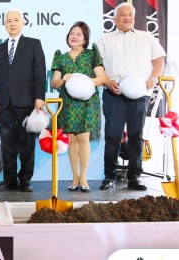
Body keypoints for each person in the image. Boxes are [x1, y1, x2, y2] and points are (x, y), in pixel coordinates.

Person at [96, 2, 166, 191]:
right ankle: (109, 176)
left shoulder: (146, 37)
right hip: (113, 93)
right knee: (113, 136)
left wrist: (153, 78)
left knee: (136, 136)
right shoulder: (104, 40)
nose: (127, 18)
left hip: (139, 94)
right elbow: (97, 66)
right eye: (122, 15)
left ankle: (135, 177)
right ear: (114, 19)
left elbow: (159, 60)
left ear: (134, 18)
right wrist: (107, 80)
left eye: (130, 15)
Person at [0, 10, 46, 192]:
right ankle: (9, 180)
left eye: (16, 20)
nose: (12, 24)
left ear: (23, 23)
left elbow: (40, 73)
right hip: (4, 103)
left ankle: (25, 179)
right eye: (8, 21)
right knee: (7, 145)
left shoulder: (33, 44)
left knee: (26, 144)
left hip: (27, 102)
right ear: (4, 25)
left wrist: (39, 97)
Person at [50, 21, 106, 193]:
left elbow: (102, 78)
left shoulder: (91, 55)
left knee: (84, 139)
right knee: (72, 141)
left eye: (78, 34)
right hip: (68, 103)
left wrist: (82, 82)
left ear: (84, 39)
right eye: (71, 33)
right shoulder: (61, 56)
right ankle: (75, 177)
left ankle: (84, 178)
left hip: (87, 102)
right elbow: (54, 83)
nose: (74, 36)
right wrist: (65, 80)